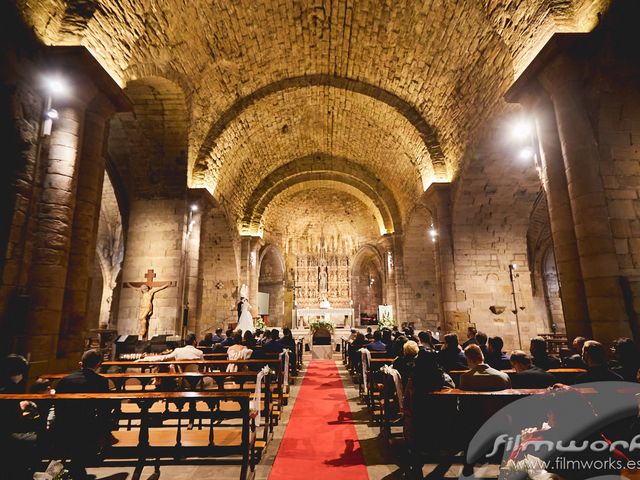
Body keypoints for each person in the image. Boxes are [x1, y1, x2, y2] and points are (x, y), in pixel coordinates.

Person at [54, 350, 113, 480]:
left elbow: (58, 406)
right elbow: (104, 409)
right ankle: (79, 464)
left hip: (64, 425)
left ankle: (75, 465)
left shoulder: (64, 380)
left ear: (81, 363)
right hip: (87, 427)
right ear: (98, 364)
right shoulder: (101, 381)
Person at [139, 333, 204, 362]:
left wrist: (145, 359)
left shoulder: (178, 351)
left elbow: (163, 358)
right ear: (194, 342)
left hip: (182, 381)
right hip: (196, 381)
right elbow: (202, 368)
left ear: (184, 342)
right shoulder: (199, 352)